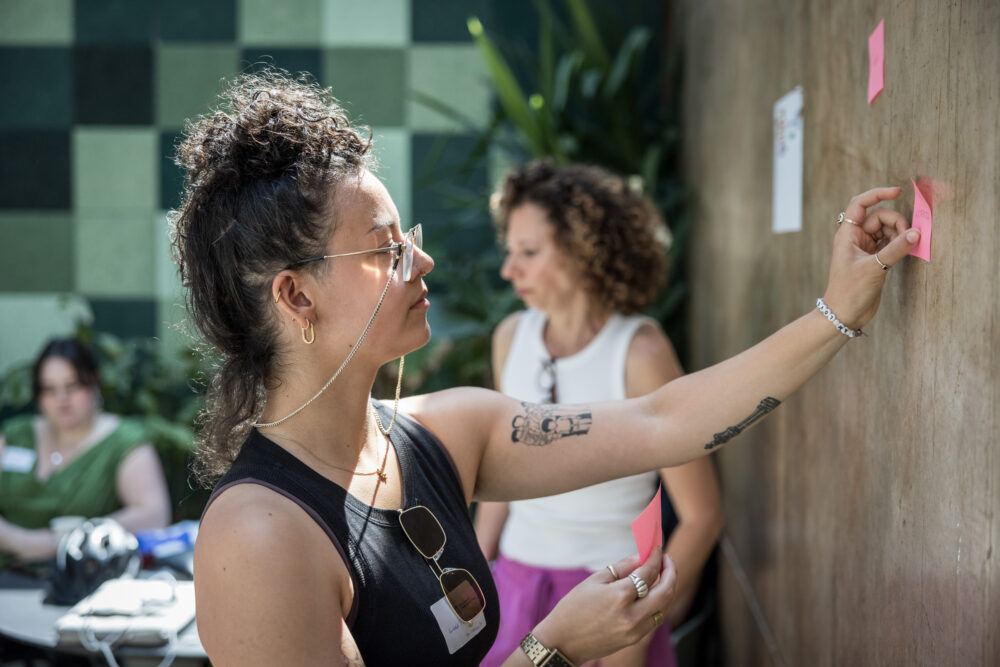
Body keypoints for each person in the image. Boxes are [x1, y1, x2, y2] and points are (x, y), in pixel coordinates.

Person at [176, 70, 919, 667]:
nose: (421, 261)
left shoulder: (445, 431)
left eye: (411, 238)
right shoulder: (261, 537)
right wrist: (551, 648)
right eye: (385, 250)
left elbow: (663, 420)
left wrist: (839, 309)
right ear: (296, 294)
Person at [476, 160, 723, 667]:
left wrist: (648, 617)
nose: (509, 269)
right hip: (513, 585)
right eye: (509, 251)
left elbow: (702, 514)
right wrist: (477, 576)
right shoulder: (509, 339)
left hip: (609, 592)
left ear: (583, 251)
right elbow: (500, 478)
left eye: (529, 252)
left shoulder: (640, 351)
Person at [0, 339, 171, 567]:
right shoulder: (15, 435)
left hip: (85, 579)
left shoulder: (123, 440)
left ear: (94, 382)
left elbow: (154, 516)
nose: (62, 401)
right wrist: (15, 540)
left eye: (72, 387)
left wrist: (63, 540)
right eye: (49, 390)